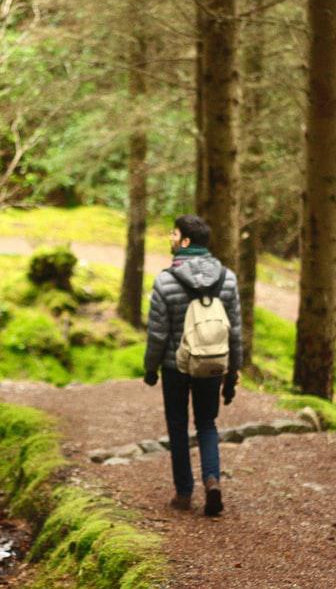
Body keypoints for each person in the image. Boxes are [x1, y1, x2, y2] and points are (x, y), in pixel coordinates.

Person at [143, 214, 242, 516]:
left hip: (176, 366)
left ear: (185, 242)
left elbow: (157, 333)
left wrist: (150, 368)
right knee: (207, 423)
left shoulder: (165, 280)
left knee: (177, 426)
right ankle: (212, 480)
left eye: (173, 234)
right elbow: (234, 330)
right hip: (212, 364)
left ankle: (184, 493)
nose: (170, 239)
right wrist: (233, 370)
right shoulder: (227, 279)